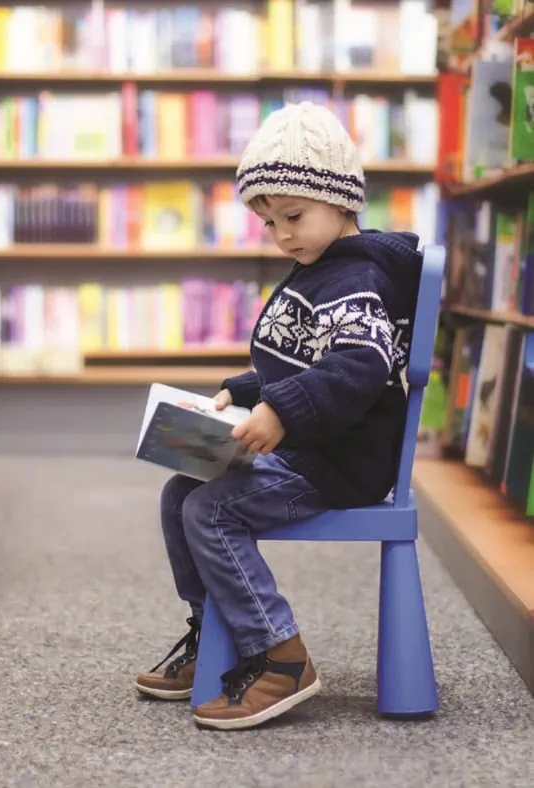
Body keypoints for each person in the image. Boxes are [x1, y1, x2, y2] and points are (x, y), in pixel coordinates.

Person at [134, 101, 424, 730]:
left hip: (339, 462)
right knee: (177, 490)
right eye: (268, 223)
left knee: (211, 508)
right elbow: (295, 362)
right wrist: (240, 395)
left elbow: (356, 368)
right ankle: (216, 631)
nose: (283, 233)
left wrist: (279, 412)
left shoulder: (359, 279)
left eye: (293, 215)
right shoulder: (317, 270)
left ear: (342, 200)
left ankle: (280, 656)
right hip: (307, 445)